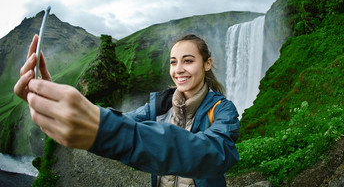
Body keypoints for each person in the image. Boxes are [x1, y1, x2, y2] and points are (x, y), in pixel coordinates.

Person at [14, 34, 240, 186]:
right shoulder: (159, 104)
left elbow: (214, 154)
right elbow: (123, 121)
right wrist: (66, 107)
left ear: (207, 64)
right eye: (173, 62)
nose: (178, 69)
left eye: (188, 61)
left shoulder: (223, 110)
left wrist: (102, 129)